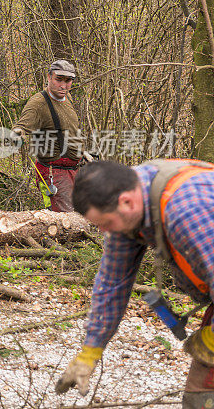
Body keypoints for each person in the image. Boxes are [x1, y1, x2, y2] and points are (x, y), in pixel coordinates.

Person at [57, 159, 214, 408]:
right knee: (202, 393)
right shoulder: (132, 200)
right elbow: (112, 282)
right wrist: (91, 350)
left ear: (127, 203)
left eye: (106, 224)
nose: (105, 231)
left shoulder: (187, 211)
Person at [12, 59, 82, 212]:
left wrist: (83, 153)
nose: (63, 85)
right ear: (49, 77)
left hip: (74, 169)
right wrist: (17, 135)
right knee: (66, 223)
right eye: (59, 79)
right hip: (53, 174)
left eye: (68, 80)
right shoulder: (38, 103)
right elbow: (21, 127)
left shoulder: (67, 98)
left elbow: (68, 130)